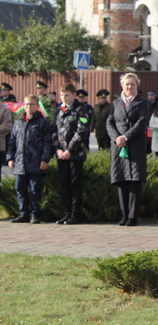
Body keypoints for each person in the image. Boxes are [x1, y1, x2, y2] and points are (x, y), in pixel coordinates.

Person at [107, 73, 150, 227]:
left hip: (135, 145)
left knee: (134, 181)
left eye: (132, 84)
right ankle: (124, 215)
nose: (129, 87)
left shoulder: (142, 102)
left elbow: (141, 122)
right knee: (121, 181)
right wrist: (117, 138)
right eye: (127, 84)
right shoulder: (116, 103)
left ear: (137, 85)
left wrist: (126, 136)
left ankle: (132, 216)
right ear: (122, 86)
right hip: (118, 146)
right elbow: (109, 122)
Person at [6, 95, 53, 224]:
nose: (28, 107)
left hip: (36, 163)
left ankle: (35, 214)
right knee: (20, 189)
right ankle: (23, 214)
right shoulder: (19, 122)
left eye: (31, 104)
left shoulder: (43, 122)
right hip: (20, 163)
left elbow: (48, 143)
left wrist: (45, 160)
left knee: (34, 190)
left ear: (37, 106)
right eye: (26, 104)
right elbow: (12, 142)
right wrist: (10, 158)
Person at [54, 83, 89, 225]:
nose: (63, 97)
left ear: (74, 95)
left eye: (66, 95)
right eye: (62, 95)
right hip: (61, 154)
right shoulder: (59, 111)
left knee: (75, 184)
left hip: (75, 154)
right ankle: (66, 213)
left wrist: (69, 150)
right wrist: (58, 149)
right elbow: (54, 131)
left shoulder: (80, 110)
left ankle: (75, 214)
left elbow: (82, 130)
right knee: (65, 184)